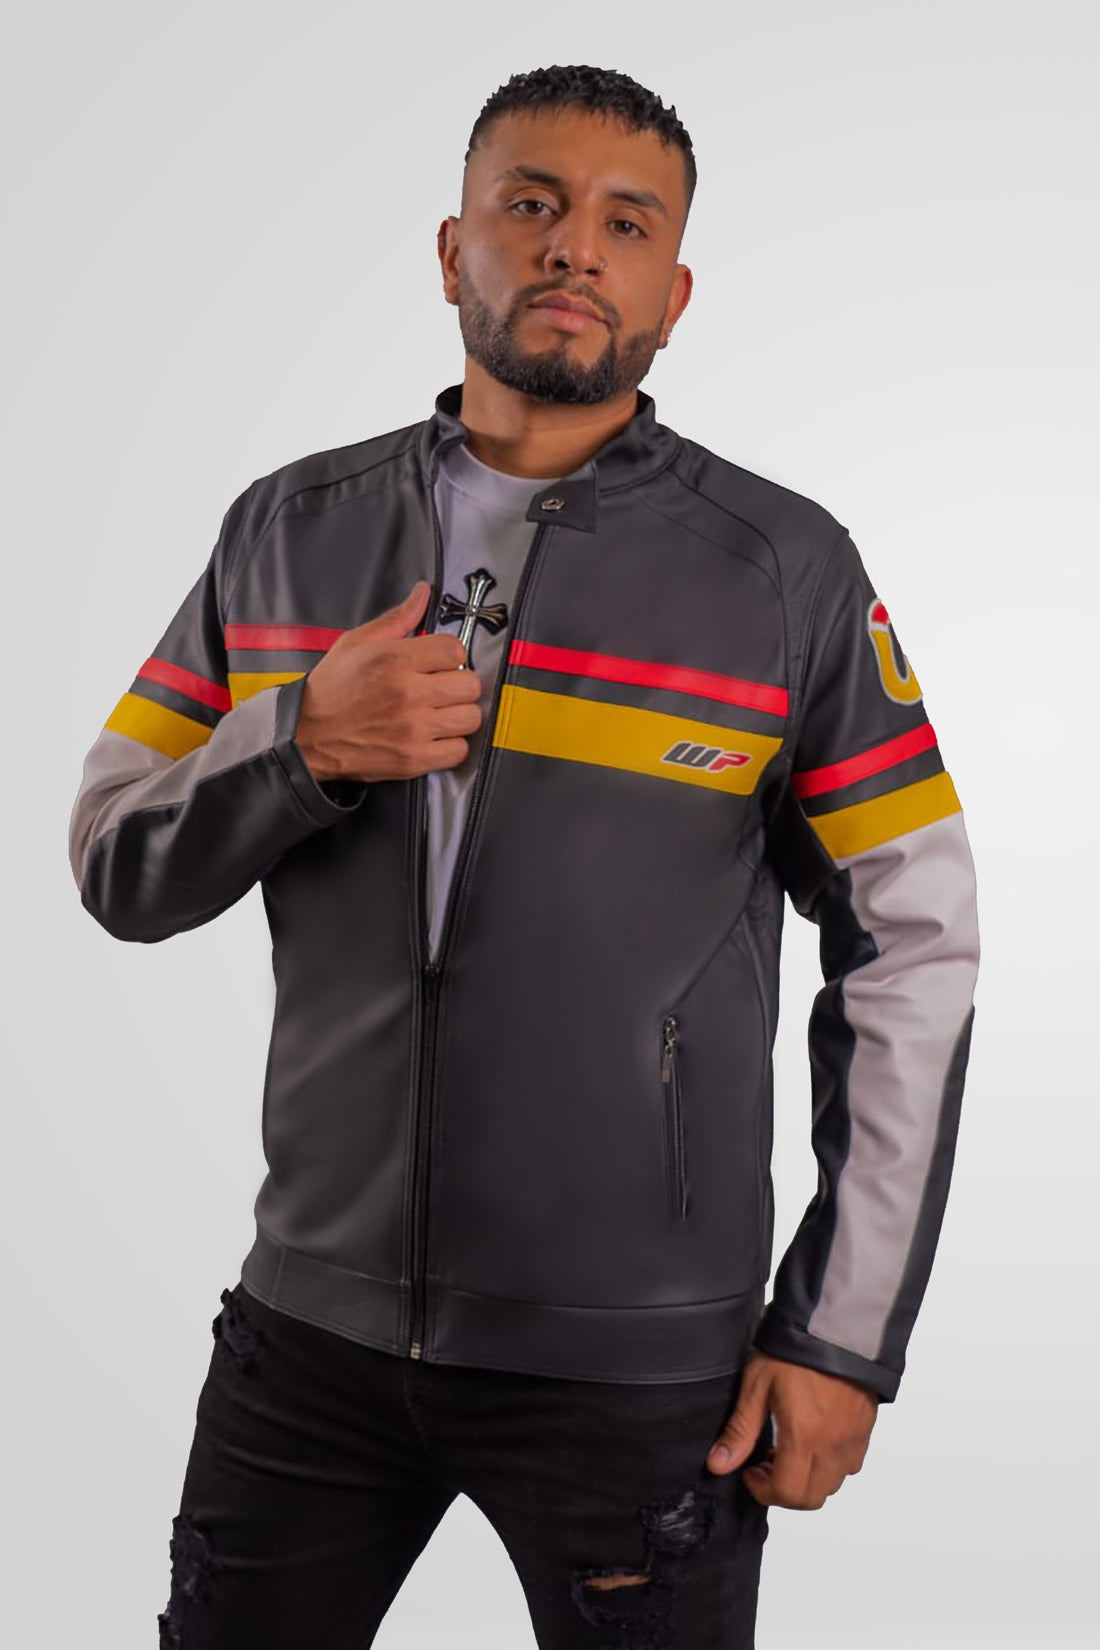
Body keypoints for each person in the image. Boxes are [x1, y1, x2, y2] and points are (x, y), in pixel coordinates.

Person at [68, 63, 980, 1650]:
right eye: (532, 205)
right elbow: (113, 860)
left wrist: (840, 1336)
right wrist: (300, 745)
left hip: (641, 1376)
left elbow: (917, 941)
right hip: (308, 1338)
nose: (574, 248)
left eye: (627, 225)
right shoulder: (283, 529)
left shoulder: (784, 573)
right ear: (453, 250)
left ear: (673, 293)